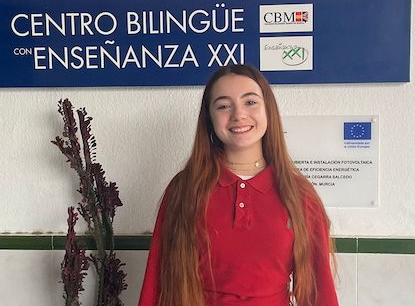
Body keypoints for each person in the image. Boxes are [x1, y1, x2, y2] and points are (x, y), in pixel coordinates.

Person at [138, 64, 338, 306]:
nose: (239, 115)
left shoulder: (299, 194)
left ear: (268, 110)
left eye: (250, 102)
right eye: (223, 106)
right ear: (209, 119)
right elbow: (156, 280)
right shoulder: (184, 188)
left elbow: (320, 290)